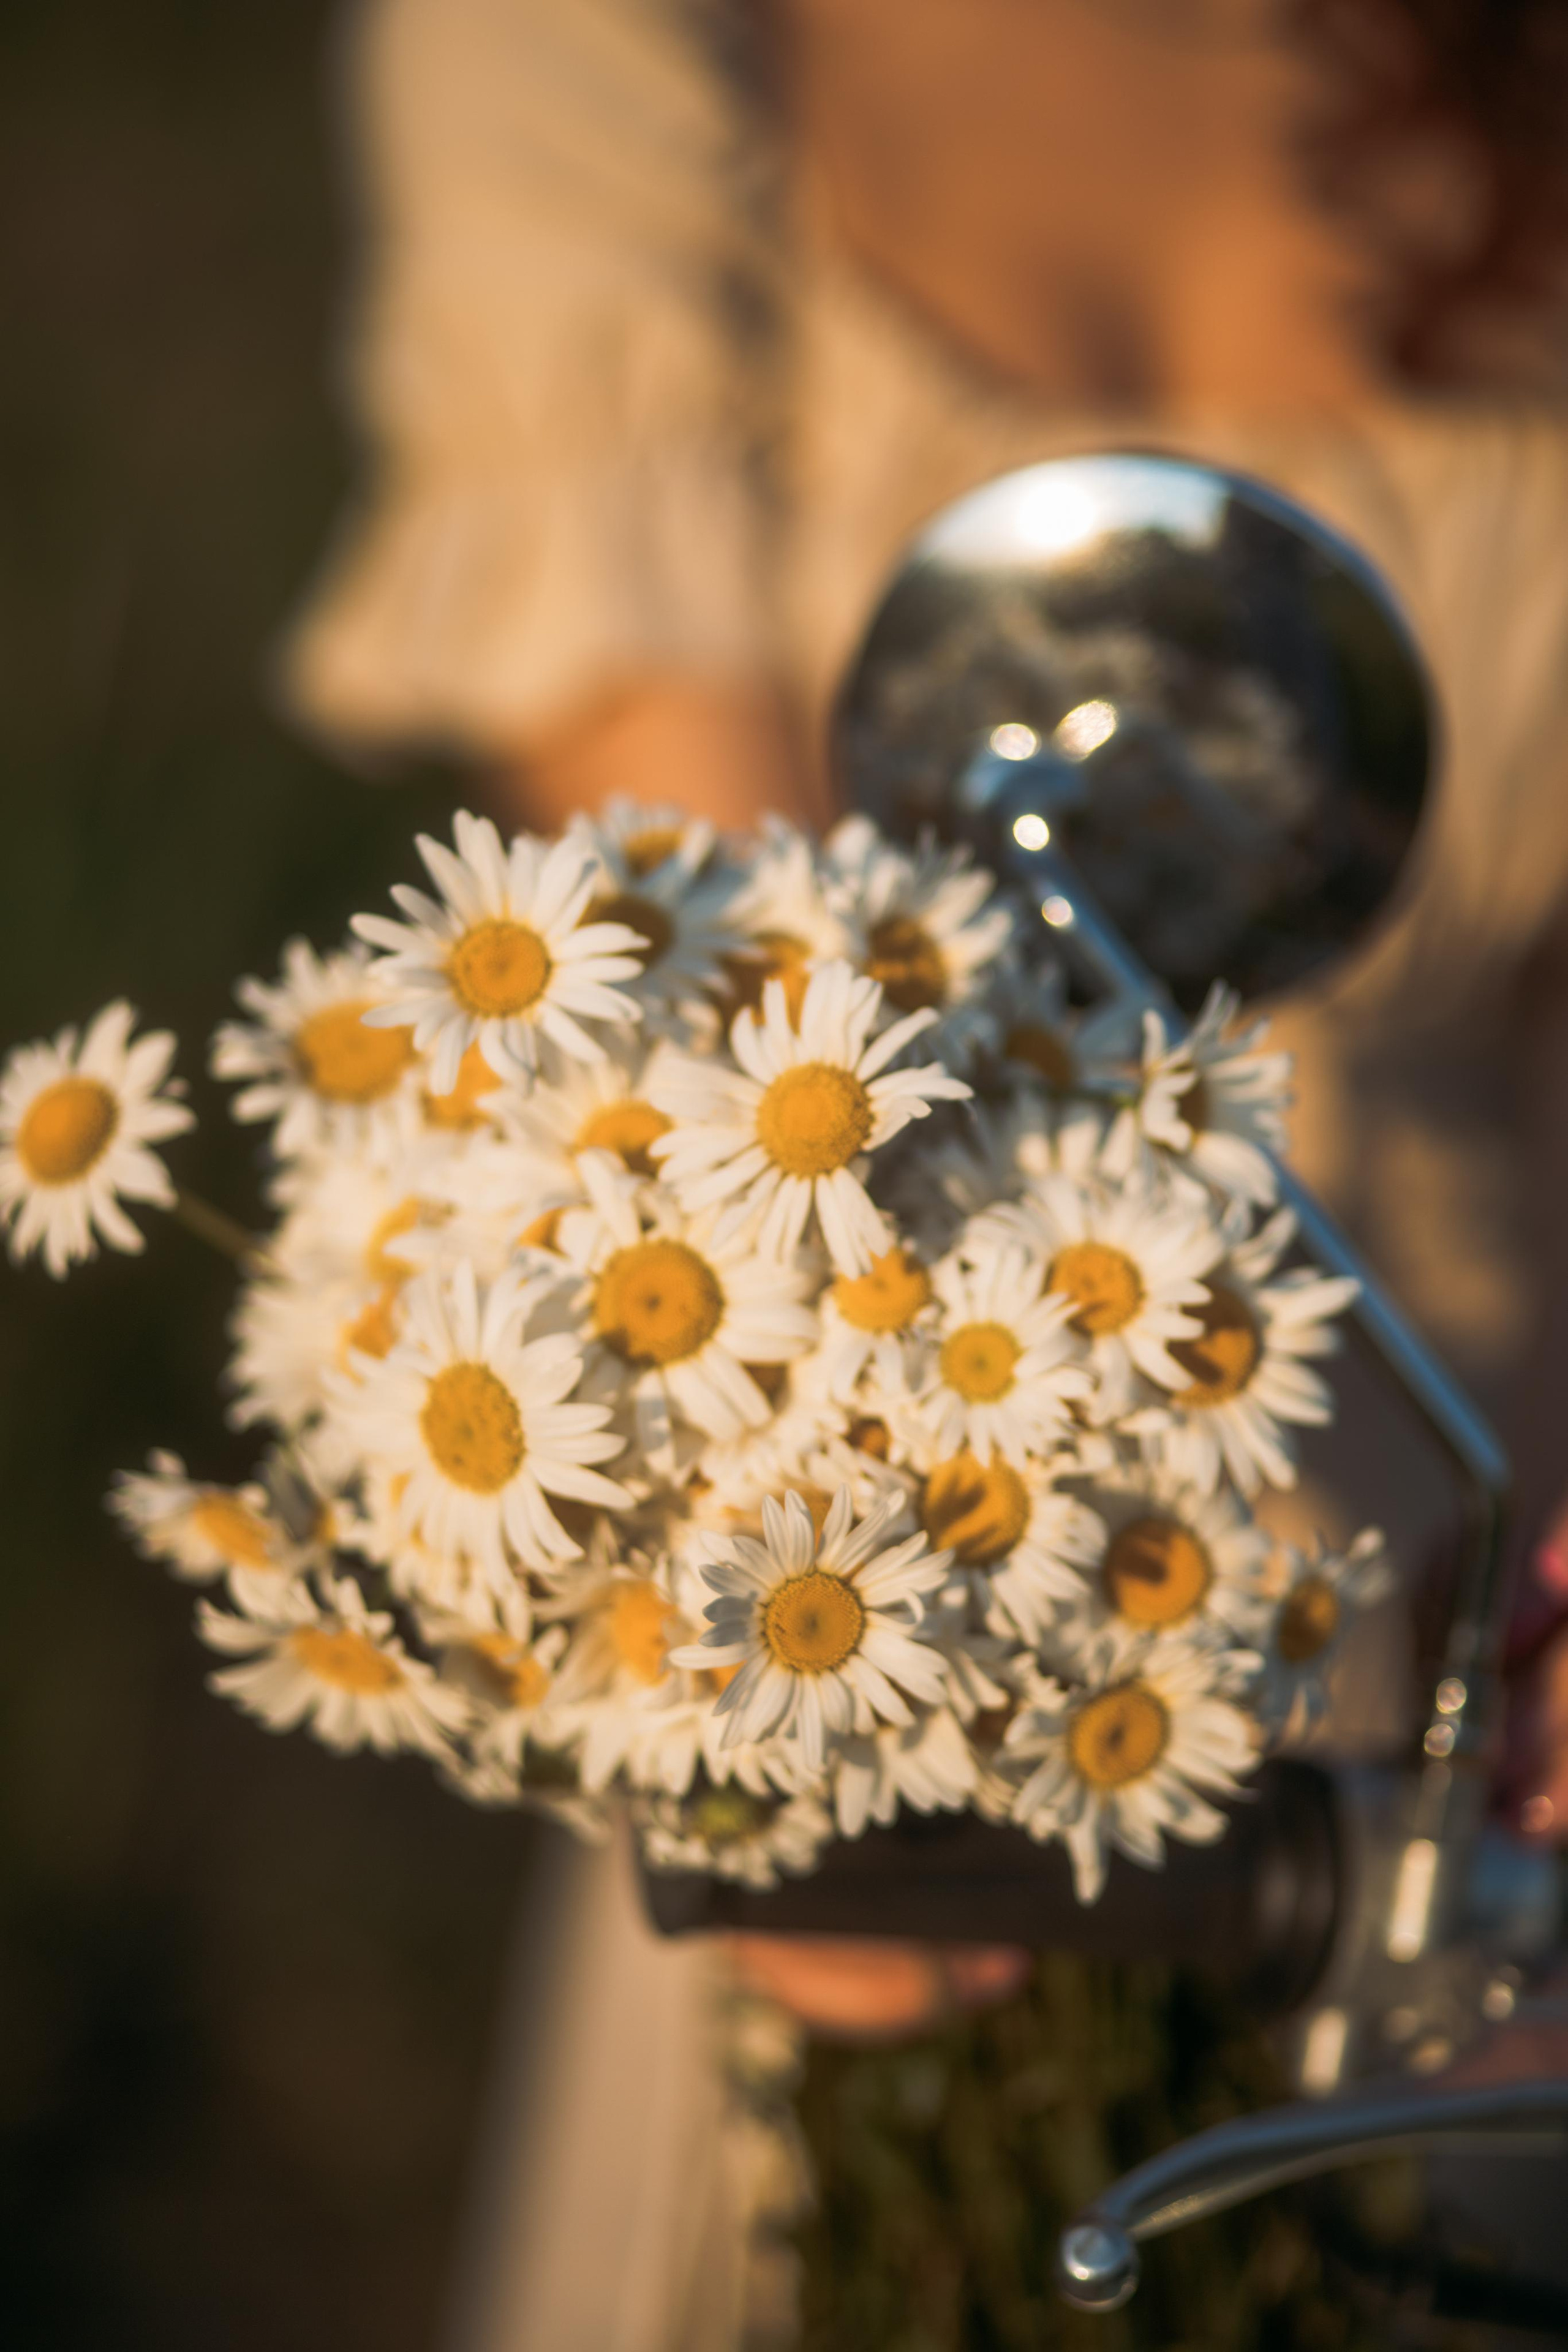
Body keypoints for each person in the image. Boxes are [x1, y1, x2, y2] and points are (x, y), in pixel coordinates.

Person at [286, 1, 1568, 2340]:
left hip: (1491, 1611)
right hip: (870, 1602)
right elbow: (707, 1028)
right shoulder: (607, 42)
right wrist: (816, 1662)